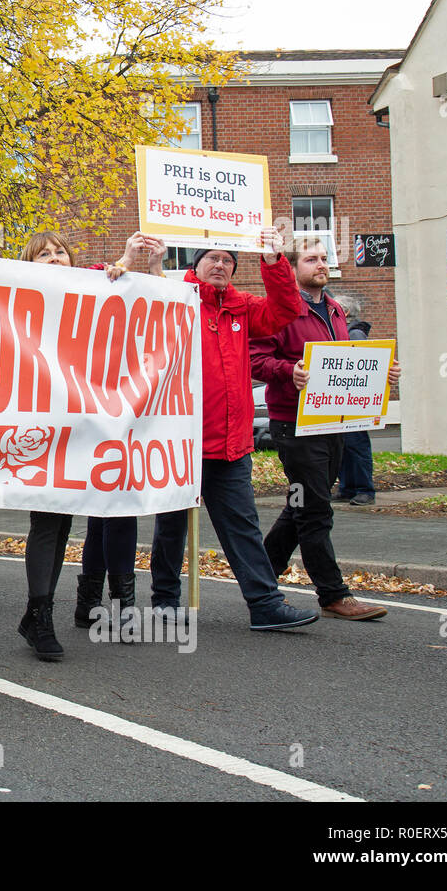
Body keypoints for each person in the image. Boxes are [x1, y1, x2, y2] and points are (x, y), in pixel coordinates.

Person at [146, 229, 320, 631]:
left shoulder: (243, 307)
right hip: (181, 441)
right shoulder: (178, 298)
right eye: (213, 258)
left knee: (243, 526)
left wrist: (274, 261)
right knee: (171, 526)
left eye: (227, 260)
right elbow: (150, 303)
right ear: (196, 265)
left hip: (231, 444)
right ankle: (165, 601)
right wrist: (154, 265)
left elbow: (286, 309)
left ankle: (264, 603)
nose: (220, 265)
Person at [249, 240, 396, 621]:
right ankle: (333, 594)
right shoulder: (281, 310)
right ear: (293, 268)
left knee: (300, 504)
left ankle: (259, 572)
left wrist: (381, 374)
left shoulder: (334, 309)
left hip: (332, 420)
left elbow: (345, 362)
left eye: (324, 259)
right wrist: (289, 372)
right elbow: (257, 359)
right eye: (312, 259)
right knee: (315, 510)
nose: (321, 265)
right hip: (294, 423)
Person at [12, 231, 141, 659]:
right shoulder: (15, 298)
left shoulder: (90, 291)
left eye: (59, 252)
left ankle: (38, 614)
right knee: (46, 518)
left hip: (80, 424)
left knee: (63, 519)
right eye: (42, 254)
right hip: (38, 422)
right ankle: (39, 615)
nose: (53, 259)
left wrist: (120, 270)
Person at [334, 295, 377, 505]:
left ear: (346, 313)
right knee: (344, 446)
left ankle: (364, 489)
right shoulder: (345, 333)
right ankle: (347, 487)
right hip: (344, 399)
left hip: (354, 400)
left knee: (357, 446)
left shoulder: (355, 334)